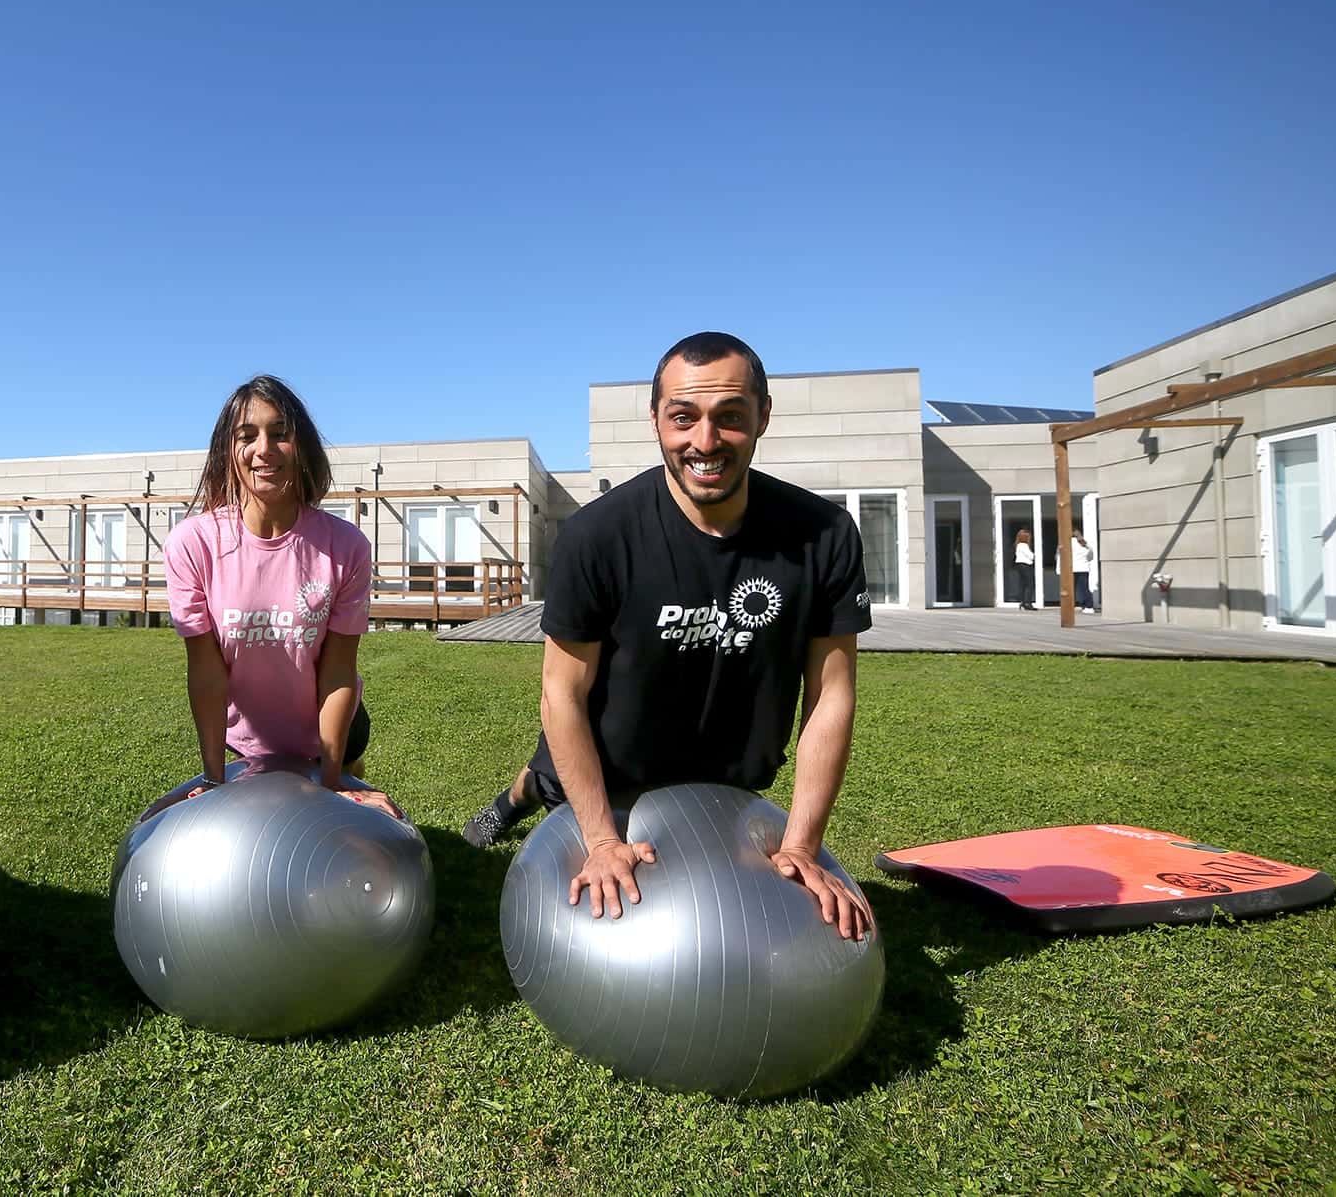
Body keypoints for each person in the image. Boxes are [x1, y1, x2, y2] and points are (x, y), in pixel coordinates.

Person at [461, 332, 874, 940]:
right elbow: (562, 695)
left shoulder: (825, 535)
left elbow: (831, 696)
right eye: (684, 417)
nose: (705, 442)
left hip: (727, 778)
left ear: (763, 415)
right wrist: (602, 839)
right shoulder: (595, 537)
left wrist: (802, 846)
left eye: (730, 416)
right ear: (655, 419)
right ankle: (514, 796)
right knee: (548, 776)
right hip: (614, 764)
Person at [156, 375, 402, 820]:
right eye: (247, 436)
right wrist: (213, 779)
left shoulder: (346, 547)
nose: (263, 449)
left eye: (280, 433)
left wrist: (333, 783)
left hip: (334, 733)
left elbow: (338, 671)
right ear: (228, 451)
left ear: (301, 446)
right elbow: (207, 672)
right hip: (249, 739)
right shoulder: (192, 545)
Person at [1013, 528, 1037, 610]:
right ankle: (1027, 603)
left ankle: (1023, 602)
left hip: (1020, 565)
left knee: (1023, 584)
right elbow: (1031, 556)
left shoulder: (1018, 545)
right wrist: (1034, 555)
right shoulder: (1024, 545)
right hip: (1025, 565)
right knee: (1030, 584)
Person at [1072, 531, 1095, 612]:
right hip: (1084, 568)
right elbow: (1091, 557)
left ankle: (1071, 605)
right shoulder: (1085, 544)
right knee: (1084, 588)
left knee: (1071, 589)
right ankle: (1088, 606)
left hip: (1072, 568)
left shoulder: (1069, 543)